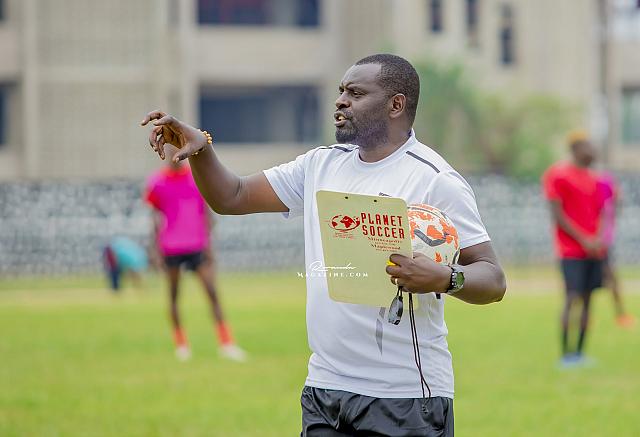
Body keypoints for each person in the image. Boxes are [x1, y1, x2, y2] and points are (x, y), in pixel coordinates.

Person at [141, 54, 506, 436]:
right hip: (325, 391)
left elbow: (493, 278)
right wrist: (201, 149)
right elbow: (232, 196)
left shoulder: (434, 179)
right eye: (341, 91)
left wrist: (445, 277)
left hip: (407, 396)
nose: (340, 101)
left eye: (355, 93)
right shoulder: (320, 166)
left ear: (396, 105)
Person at [145, 159, 246, 362]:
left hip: (196, 244)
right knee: (174, 296)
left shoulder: (195, 177)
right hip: (171, 246)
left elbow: (206, 212)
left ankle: (226, 343)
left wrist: (209, 245)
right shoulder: (157, 182)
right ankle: (181, 345)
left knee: (212, 293)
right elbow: (155, 218)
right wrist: (155, 249)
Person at [542, 131, 606, 367]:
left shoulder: (596, 179)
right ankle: (566, 355)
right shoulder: (558, 175)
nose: (593, 151)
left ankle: (580, 353)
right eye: (588, 146)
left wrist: (598, 239)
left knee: (589, 300)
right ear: (576, 149)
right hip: (570, 251)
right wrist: (584, 239)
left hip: (594, 251)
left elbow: (601, 213)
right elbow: (558, 215)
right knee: (572, 298)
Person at [597, 171, 635, 328]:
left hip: (602, 243)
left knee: (607, 280)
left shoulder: (608, 195)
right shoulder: (600, 185)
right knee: (608, 279)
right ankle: (620, 314)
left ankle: (620, 314)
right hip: (596, 244)